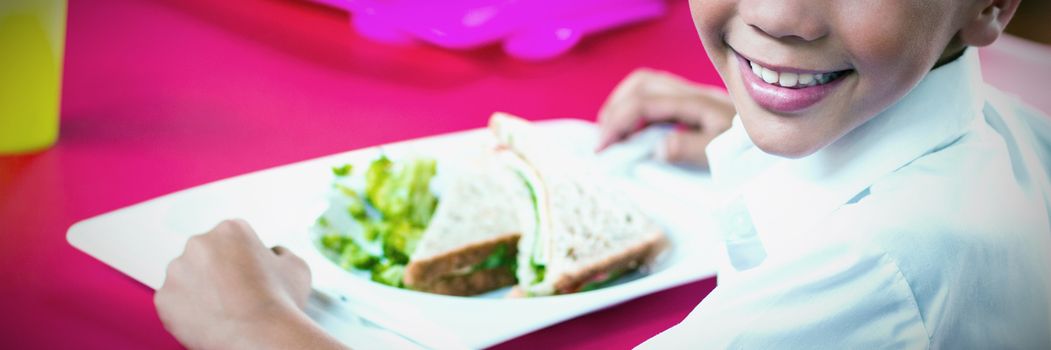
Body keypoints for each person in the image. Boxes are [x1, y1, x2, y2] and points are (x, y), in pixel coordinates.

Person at [154, 0, 1051, 348]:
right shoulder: (1005, 131)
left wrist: (254, 326)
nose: (779, 14)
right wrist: (789, 122)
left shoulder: (877, 264)